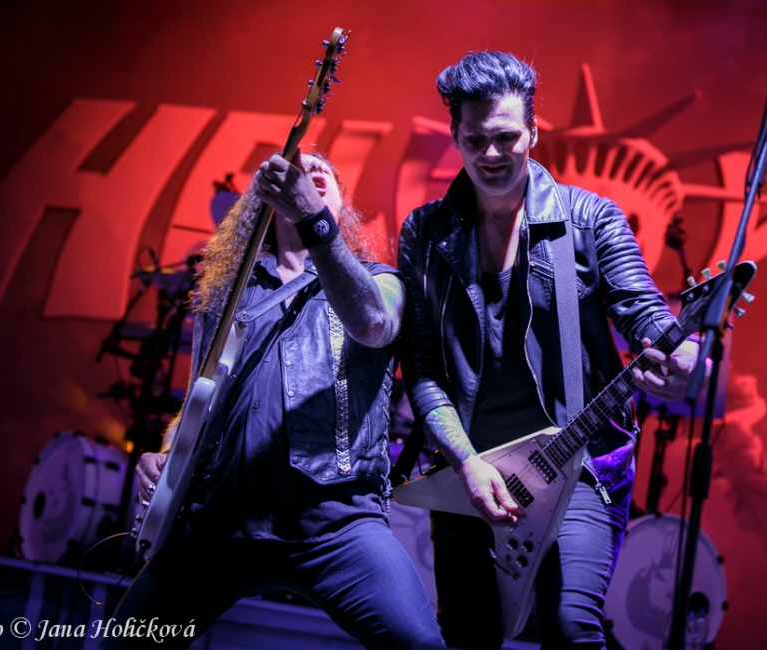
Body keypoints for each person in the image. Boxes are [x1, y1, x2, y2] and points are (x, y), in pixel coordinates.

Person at [396, 51, 704, 648]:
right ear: (455, 138)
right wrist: (465, 460)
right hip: (470, 475)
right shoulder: (426, 232)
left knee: (569, 627)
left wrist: (688, 357)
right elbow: (423, 366)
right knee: (466, 637)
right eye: (475, 139)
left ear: (534, 132)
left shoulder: (591, 219)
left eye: (507, 137)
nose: (491, 153)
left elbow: (644, 313)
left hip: (581, 463)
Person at [105, 150, 444, 649]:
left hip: (336, 523)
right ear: (263, 199)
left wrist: (311, 219)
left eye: (324, 172)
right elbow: (200, 401)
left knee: (420, 645)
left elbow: (374, 323)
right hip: (221, 520)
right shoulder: (228, 295)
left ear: (339, 203)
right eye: (300, 168)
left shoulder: (380, 280)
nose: (312, 172)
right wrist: (166, 454)